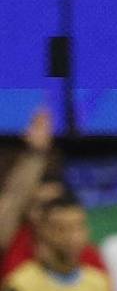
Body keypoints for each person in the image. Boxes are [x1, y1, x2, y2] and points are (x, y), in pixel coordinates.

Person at [0, 109, 107, 278]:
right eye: (39, 205)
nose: (47, 213)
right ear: (27, 210)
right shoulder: (15, 240)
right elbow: (14, 199)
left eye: (55, 205)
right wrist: (35, 154)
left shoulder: (88, 257)